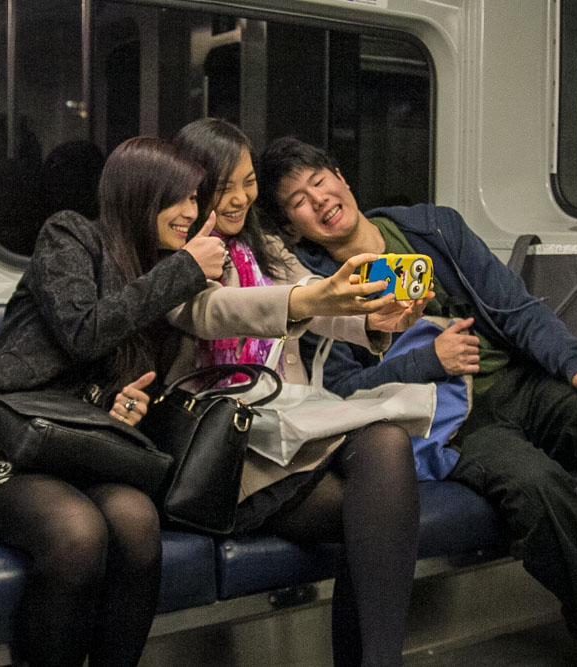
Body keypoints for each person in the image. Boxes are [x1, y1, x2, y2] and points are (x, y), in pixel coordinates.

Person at [255, 136, 577, 667]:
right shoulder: (314, 288)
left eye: (320, 182)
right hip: (452, 420)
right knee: (537, 486)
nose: (320, 200)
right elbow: (342, 391)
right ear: (290, 226)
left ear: (341, 176)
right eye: (298, 201)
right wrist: (430, 361)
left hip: (519, 382)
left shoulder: (433, 228)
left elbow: (514, 308)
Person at [0, 137, 228, 667]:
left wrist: (116, 403)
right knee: (76, 534)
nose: (191, 213)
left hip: (74, 447)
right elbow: (81, 332)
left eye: (197, 200)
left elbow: (97, 379)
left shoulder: (156, 272)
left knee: (135, 520)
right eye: (180, 198)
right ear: (140, 194)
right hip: (0, 438)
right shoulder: (69, 235)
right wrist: (181, 272)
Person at [171, 118, 425, 667]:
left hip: (286, 428)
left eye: (248, 183)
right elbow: (209, 310)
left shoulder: (259, 244)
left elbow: (313, 293)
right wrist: (308, 301)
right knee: (378, 515)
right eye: (224, 187)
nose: (240, 199)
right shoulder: (179, 247)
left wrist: (373, 316)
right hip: (226, 448)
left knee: (387, 446)